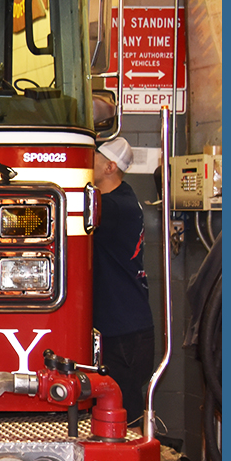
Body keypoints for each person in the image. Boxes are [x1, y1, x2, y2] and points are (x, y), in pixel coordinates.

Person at [92, 137, 155, 428]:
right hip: (128, 323)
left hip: (124, 331)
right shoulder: (126, 197)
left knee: (122, 412)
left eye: (94, 157)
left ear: (110, 166)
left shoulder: (112, 209)